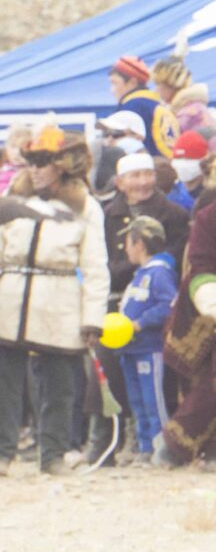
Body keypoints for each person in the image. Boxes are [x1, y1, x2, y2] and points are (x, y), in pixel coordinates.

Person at [0, 126, 108, 476]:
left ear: (63, 166)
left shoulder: (85, 208)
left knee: (59, 385)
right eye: (32, 162)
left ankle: (54, 454)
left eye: (44, 162)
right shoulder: (13, 201)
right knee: (6, 383)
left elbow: (94, 266)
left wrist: (93, 318)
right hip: (13, 296)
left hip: (59, 299)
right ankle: (0, 454)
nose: (36, 169)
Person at [92, 152, 190, 462]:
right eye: (134, 176)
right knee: (110, 375)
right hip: (115, 305)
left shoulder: (172, 214)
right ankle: (108, 439)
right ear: (120, 182)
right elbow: (101, 260)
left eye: (147, 174)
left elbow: (171, 260)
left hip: (150, 310)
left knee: (155, 387)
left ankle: (154, 443)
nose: (143, 182)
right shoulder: (108, 215)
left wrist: (130, 270)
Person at [154, 200, 216, 468]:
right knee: (208, 381)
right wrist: (210, 300)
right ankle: (177, 444)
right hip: (207, 305)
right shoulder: (210, 216)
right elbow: (202, 266)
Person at [115, 216, 177, 463]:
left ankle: (163, 446)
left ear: (139, 243)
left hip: (149, 348)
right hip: (130, 348)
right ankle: (144, 446)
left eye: (128, 243)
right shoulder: (140, 274)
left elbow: (169, 304)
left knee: (153, 399)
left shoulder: (159, 273)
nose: (126, 249)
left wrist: (140, 323)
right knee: (137, 401)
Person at [108, 55, 180, 158]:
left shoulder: (131, 108)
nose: (112, 90)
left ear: (132, 82)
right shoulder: (155, 105)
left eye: (114, 83)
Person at [168, 131, 208, 212]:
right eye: (178, 159)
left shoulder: (210, 195)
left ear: (203, 161)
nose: (183, 164)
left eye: (189, 159)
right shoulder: (170, 191)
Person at [0, 124, 32, 195]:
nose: (17, 152)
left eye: (22, 147)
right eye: (13, 146)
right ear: (7, 148)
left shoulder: (33, 173)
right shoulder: (0, 173)